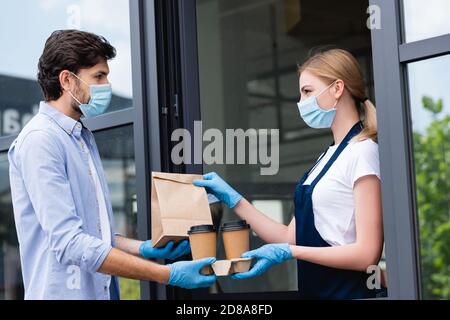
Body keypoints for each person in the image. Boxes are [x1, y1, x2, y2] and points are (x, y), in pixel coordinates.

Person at [8, 30, 216, 300]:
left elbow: (92, 232)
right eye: (98, 76)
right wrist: (168, 274)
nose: (106, 84)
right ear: (67, 80)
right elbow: (70, 243)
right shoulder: (41, 141)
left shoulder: (81, 137)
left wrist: (141, 248)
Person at [194, 49, 387, 299]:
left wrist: (291, 252)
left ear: (338, 88)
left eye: (307, 91)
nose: (300, 101)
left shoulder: (363, 152)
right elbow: (289, 236)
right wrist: (234, 199)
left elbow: (367, 254)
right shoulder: (325, 159)